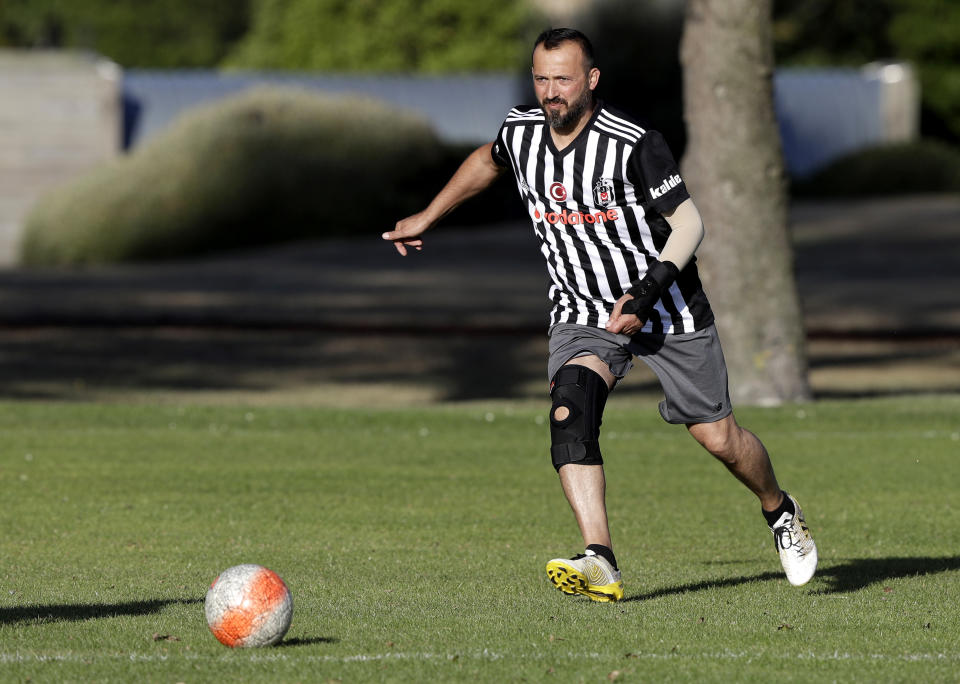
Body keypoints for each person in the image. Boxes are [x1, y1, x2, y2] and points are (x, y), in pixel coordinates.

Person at [382, 28, 817, 602]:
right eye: (541, 78)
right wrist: (428, 215)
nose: (550, 92)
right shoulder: (522, 131)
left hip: (666, 307)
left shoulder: (635, 144)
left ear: (591, 80)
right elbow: (489, 161)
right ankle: (600, 559)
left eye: (563, 79)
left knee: (719, 439)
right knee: (571, 408)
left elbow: (690, 225)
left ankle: (779, 508)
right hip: (581, 310)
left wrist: (644, 296)